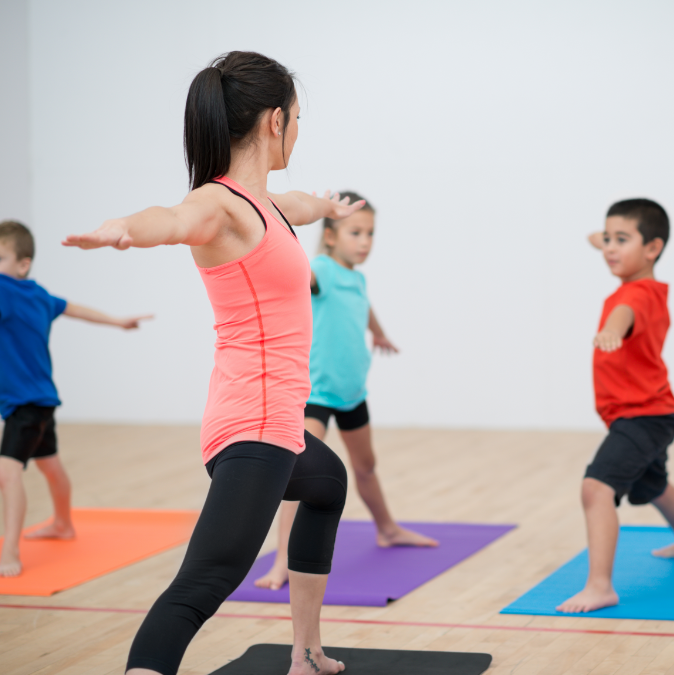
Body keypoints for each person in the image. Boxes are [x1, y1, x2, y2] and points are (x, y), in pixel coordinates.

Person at [63, 51, 365, 675]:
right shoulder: (221, 205)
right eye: (299, 118)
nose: (300, 130)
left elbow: (302, 207)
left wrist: (331, 208)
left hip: (272, 423)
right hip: (255, 428)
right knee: (202, 585)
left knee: (328, 484)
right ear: (275, 121)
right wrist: (124, 227)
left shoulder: (269, 207)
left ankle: (305, 654)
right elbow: (173, 220)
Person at [0, 220, 150, 578]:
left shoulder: (3, 290)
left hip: (25, 404)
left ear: (22, 264)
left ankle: (10, 550)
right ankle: (63, 524)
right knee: (50, 465)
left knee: (6, 472)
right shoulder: (39, 295)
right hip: (42, 399)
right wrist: (117, 321)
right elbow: (76, 309)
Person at [254, 192, 437, 592]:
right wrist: (274, 227)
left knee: (366, 467)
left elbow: (363, 305)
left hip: (352, 393)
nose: (365, 241)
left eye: (370, 233)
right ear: (333, 236)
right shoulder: (320, 268)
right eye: (356, 232)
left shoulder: (357, 278)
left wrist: (380, 333)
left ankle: (387, 529)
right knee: (296, 474)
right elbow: (298, 272)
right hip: (317, 395)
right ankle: (282, 559)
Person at [557, 199, 674, 614]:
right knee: (653, 485)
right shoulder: (653, 287)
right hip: (654, 412)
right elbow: (607, 241)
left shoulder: (636, 297)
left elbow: (623, 314)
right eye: (607, 239)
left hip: (640, 416)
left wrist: (610, 330)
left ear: (653, 248)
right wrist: (604, 240)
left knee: (596, 489)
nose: (609, 248)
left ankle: (600, 586)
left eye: (621, 240)